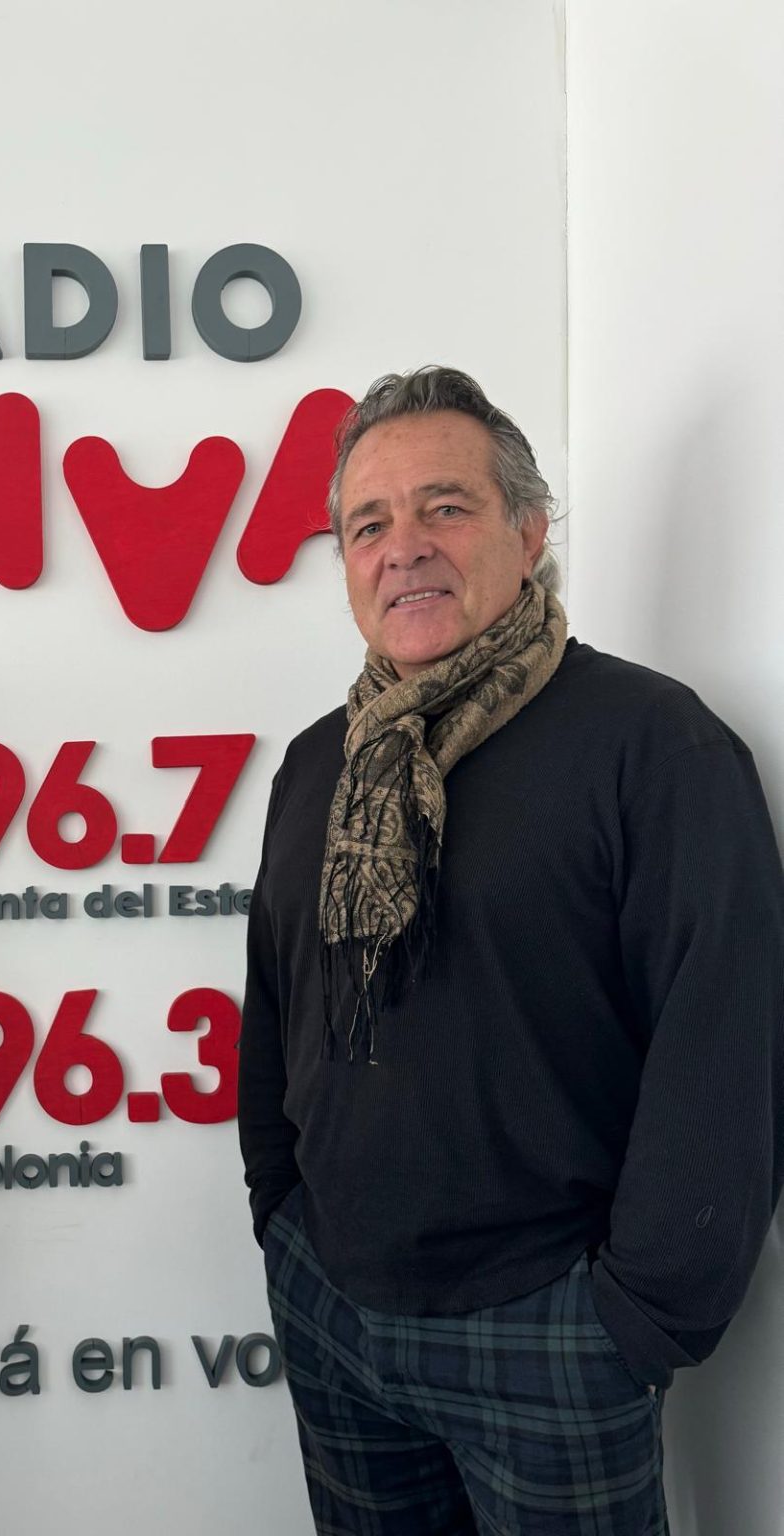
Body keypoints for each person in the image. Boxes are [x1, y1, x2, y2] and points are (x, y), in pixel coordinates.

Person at [238, 366, 784, 1535]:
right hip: (335, 1309)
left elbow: (721, 1047)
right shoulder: (319, 763)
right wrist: (280, 1219)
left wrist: (633, 1323)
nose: (403, 547)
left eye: (443, 507)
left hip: (551, 1331)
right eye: (367, 524)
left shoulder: (654, 746)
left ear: (527, 532)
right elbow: (276, 1011)